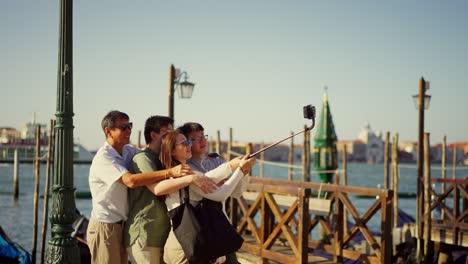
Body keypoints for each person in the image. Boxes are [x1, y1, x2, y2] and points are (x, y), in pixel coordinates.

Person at [87, 110, 195, 264]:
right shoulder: (104, 158)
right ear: (108, 131)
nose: (129, 130)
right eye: (123, 127)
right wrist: (169, 172)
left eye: (130, 126)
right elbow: (130, 181)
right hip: (106, 226)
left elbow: (150, 153)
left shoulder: (128, 151)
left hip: (123, 225)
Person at [149, 131, 256, 264]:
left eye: (188, 142)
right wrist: (240, 171)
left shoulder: (186, 172)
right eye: (184, 143)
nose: (189, 145)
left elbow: (208, 178)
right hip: (186, 246)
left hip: (181, 240)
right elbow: (220, 194)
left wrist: (232, 166)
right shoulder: (183, 175)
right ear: (172, 151)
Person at [124, 116, 217, 264]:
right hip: (146, 233)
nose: (170, 136)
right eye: (166, 132)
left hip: (164, 233)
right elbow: (157, 189)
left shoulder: (162, 159)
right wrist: (185, 177)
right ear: (153, 135)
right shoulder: (144, 158)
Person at [178, 122, 249, 264]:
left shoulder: (216, 161)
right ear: (186, 143)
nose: (203, 141)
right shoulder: (185, 167)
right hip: (199, 230)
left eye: (203, 136)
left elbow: (236, 192)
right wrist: (235, 172)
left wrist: (244, 172)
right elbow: (216, 191)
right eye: (195, 139)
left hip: (221, 226)